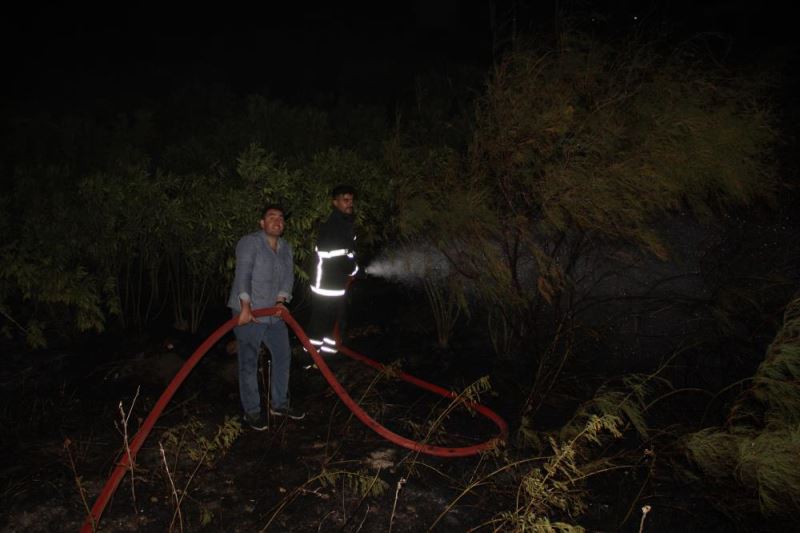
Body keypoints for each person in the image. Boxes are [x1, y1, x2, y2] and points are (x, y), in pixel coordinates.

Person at [228, 203, 305, 430]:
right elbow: (243, 273)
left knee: (283, 356)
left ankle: (279, 404)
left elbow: (288, 277)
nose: (277, 220)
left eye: (281, 217)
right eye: (271, 216)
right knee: (249, 363)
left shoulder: (286, 247)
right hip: (248, 312)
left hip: (273, 313)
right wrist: (245, 306)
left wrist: (281, 301)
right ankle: (252, 412)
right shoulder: (250, 242)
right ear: (262, 223)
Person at [307, 185, 358, 356]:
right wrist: (356, 269)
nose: (350, 204)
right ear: (335, 202)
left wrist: (353, 268)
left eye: (351, 200)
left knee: (330, 325)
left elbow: (349, 252)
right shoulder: (333, 226)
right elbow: (338, 256)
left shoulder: (346, 224)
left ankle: (326, 361)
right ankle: (309, 361)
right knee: (319, 326)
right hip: (325, 284)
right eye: (345, 200)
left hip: (336, 284)